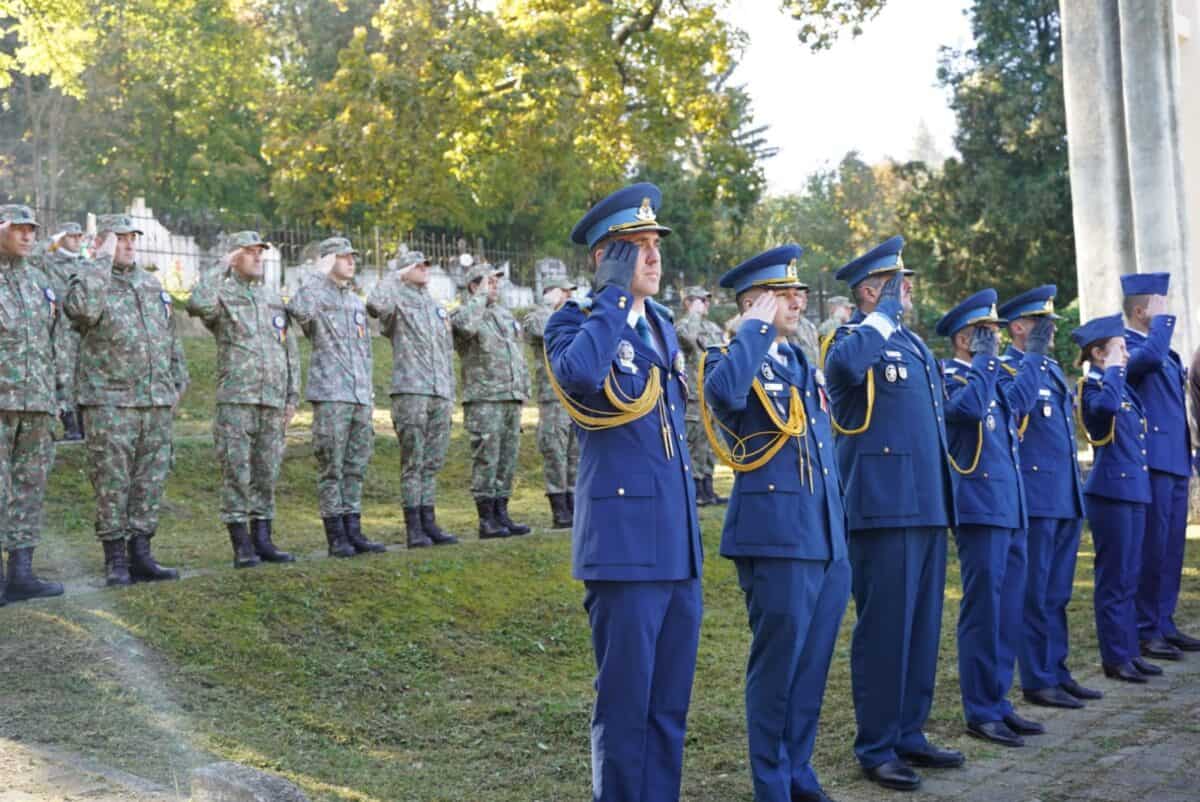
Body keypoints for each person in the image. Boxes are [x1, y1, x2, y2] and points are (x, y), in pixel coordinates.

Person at [544, 183, 702, 802]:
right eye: (637, 247)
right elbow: (580, 377)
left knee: (668, 707)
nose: (654, 256)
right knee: (625, 705)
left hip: (675, 545)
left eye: (655, 243)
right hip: (624, 544)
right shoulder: (575, 322)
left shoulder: (661, 324)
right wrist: (611, 299)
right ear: (606, 259)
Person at [701, 245, 850, 802]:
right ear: (752, 304)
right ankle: (771, 782)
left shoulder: (800, 363)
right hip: (777, 535)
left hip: (824, 535)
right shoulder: (730, 357)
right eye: (783, 293)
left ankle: (798, 771)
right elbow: (726, 396)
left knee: (811, 665)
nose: (799, 300)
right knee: (778, 664)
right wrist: (752, 332)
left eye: (798, 292)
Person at [823, 236, 961, 792]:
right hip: (883, 508)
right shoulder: (852, 338)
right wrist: (879, 318)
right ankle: (876, 744)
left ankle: (909, 731)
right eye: (895, 283)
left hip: (925, 504)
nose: (906, 291)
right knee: (885, 629)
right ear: (867, 291)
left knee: (921, 628)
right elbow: (846, 369)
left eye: (905, 283)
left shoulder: (912, 345)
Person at [937, 289, 1047, 747]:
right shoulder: (949, 377)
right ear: (966, 338)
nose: (998, 340)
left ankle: (999, 701)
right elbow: (966, 411)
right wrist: (983, 362)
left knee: (1007, 609)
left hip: (1009, 506)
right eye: (989, 333)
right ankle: (980, 709)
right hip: (979, 507)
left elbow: (1018, 400)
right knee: (983, 610)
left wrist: (1036, 352)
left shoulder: (991, 375)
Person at [65, 214, 189, 586]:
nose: (130, 244)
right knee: (111, 482)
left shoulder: (150, 284)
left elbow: (169, 335)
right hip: (110, 401)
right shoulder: (87, 280)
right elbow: (84, 310)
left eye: (132, 237)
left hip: (153, 401)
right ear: (102, 242)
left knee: (149, 482)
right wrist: (100, 260)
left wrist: (177, 379)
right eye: (119, 239)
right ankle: (115, 559)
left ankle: (142, 553)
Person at [998, 286, 1101, 709]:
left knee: (1057, 593)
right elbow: (1015, 412)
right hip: (1037, 495)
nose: (1051, 332)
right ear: (1018, 327)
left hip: (1063, 493)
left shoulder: (1053, 371)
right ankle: (1037, 679)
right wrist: (1034, 358)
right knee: (1034, 593)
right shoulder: (1009, 369)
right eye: (1042, 325)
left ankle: (1057, 670)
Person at [186, 231, 299, 568]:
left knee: (267, 472)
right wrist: (220, 266)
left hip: (273, 400)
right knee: (237, 472)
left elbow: (288, 347)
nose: (257, 258)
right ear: (235, 256)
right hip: (237, 398)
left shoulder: (271, 298)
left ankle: (263, 538)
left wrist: (292, 395)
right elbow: (197, 304)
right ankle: (241, 544)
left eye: (259, 253)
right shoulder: (222, 293)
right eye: (249, 252)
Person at [1072, 313, 1162, 684]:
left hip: (1132, 490)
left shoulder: (1119, 386)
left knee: (1129, 576)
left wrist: (1115, 372)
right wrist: (1109, 370)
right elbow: (1104, 413)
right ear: (1098, 353)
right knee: (1114, 579)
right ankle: (1115, 657)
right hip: (1111, 492)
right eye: (1120, 348)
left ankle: (1128, 650)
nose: (1127, 354)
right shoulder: (1093, 388)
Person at [287, 236, 385, 558]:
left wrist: (368, 391)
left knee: (356, 465)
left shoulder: (355, 302)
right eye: (343, 257)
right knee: (332, 466)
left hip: (358, 396)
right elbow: (297, 308)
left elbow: (365, 351)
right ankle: (335, 535)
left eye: (352, 256)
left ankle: (353, 530)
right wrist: (319, 273)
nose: (351, 261)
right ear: (329, 260)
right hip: (331, 394)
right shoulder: (316, 294)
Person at [1120, 273, 1200, 657]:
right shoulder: (1130, 347)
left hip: (1176, 459)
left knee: (1171, 548)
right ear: (1140, 311)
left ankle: (1164, 622)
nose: (1168, 311)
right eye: (1160, 304)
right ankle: (1145, 628)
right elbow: (1146, 361)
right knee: (1151, 547)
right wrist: (1161, 324)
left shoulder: (1166, 352)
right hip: (1152, 461)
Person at [367, 251, 460, 548]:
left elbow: (446, 352)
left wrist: (450, 391)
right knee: (413, 461)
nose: (424, 268)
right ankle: (414, 526)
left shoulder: (435, 306)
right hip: (412, 390)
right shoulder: (396, 299)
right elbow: (374, 305)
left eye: (425, 265)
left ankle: (429, 520)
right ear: (404, 271)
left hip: (439, 391)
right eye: (416, 265)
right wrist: (394, 275)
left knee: (432, 462)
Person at [0, 204, 65, 603]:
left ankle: (20, 574)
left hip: (37, 402)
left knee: (29, 488)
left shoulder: (40, 282)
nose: (26, 236)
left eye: (31, 231)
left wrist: (59, 395)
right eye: (17, 229)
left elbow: (54, 341)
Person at [451, 263, 532, 539]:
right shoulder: (466, 313)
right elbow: (464, 327)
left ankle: (502, 512)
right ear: (474, 285)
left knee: (507, 458)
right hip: (484, 397)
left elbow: (517, 355)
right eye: (489, 282)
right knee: (487, 458)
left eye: (497, 283)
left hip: (509, 396)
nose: (495, 287)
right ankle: (486, 519)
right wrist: (480, 297)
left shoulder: (503, 315)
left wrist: (522, 390)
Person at [524, 277, 579, 529]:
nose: (569, 296)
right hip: (552, 397)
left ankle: (576, 504)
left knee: (575, 454)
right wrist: (548, 304)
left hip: (575, 396)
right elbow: (541, 329)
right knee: (555, 452)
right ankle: (559, 509)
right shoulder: (537, 317)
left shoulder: (573, 320)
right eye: (564, 292)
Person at [675, 284, 727, 507]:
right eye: (701, 300)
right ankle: (694, 488)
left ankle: (708, 487)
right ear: (688, 302)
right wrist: (693, 314)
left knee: (709, 442)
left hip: (711, 394)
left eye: (706, 301)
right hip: (694, 396)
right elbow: (687, 338)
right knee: (694, 442)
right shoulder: (683, 325)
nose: (706, 304)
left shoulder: (712, 327)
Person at [38, 221, 87, 441]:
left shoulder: (87, 265)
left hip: (85, 331)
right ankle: (70, 426)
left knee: (84, 377)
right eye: (71, 236)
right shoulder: (50, 262)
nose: (77, 240)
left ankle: (85, 426)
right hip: (62, 331)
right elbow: (31, 255)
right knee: (64, 377)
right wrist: (52, 240)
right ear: (62, 238)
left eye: (79, 236)